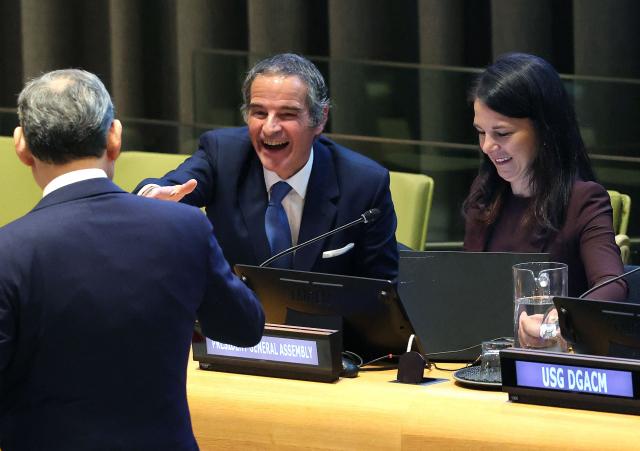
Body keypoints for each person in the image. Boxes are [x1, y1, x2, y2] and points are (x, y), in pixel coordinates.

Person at [0, 69, 265, 450]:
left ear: (22, 146)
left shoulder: (9, 250)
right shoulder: (186, 228)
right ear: (114, 137)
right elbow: (245, 328)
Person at [135, 53, 398, 281]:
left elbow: (383, 294)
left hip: (327, 333)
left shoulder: (364, 184)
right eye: (259, 113)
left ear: (320, 119)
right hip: (236, 332)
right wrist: (152, 198)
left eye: (287, 114)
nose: (270, 128)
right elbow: (173, 186)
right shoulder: (223, 154)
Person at [462, 53, 627, 346]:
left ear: (544, 129)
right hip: (483, 359)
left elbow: (613, 285)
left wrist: (561, 319)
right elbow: (471, 289)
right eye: (480, 132)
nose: (487, 146)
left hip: (552, 361)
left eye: (502, 133)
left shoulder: (583, 200)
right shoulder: (484, 194)